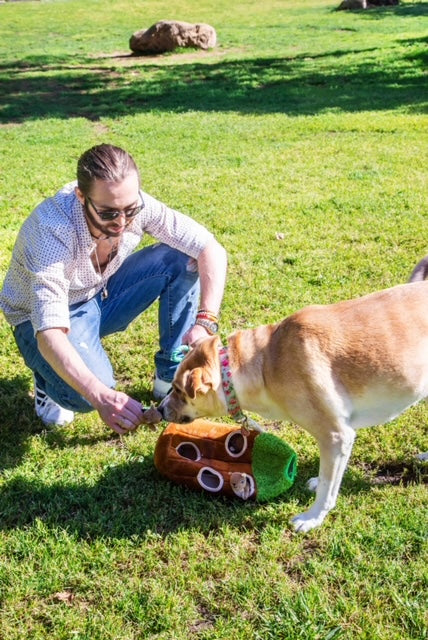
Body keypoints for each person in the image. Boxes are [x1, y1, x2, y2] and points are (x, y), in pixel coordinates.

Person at [0, 144, 227, 435]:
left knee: (184, 260)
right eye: (108, 214)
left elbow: (210, 248)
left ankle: (171, 369)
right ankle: (47, 378)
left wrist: (205, 321)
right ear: (82, 197)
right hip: (38, 323)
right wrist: (101, 397)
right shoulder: (51, 233)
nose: (122, 223)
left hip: (98, 293)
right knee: (86, 394)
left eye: (130, 210)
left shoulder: (135, 206)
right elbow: (49, 333)